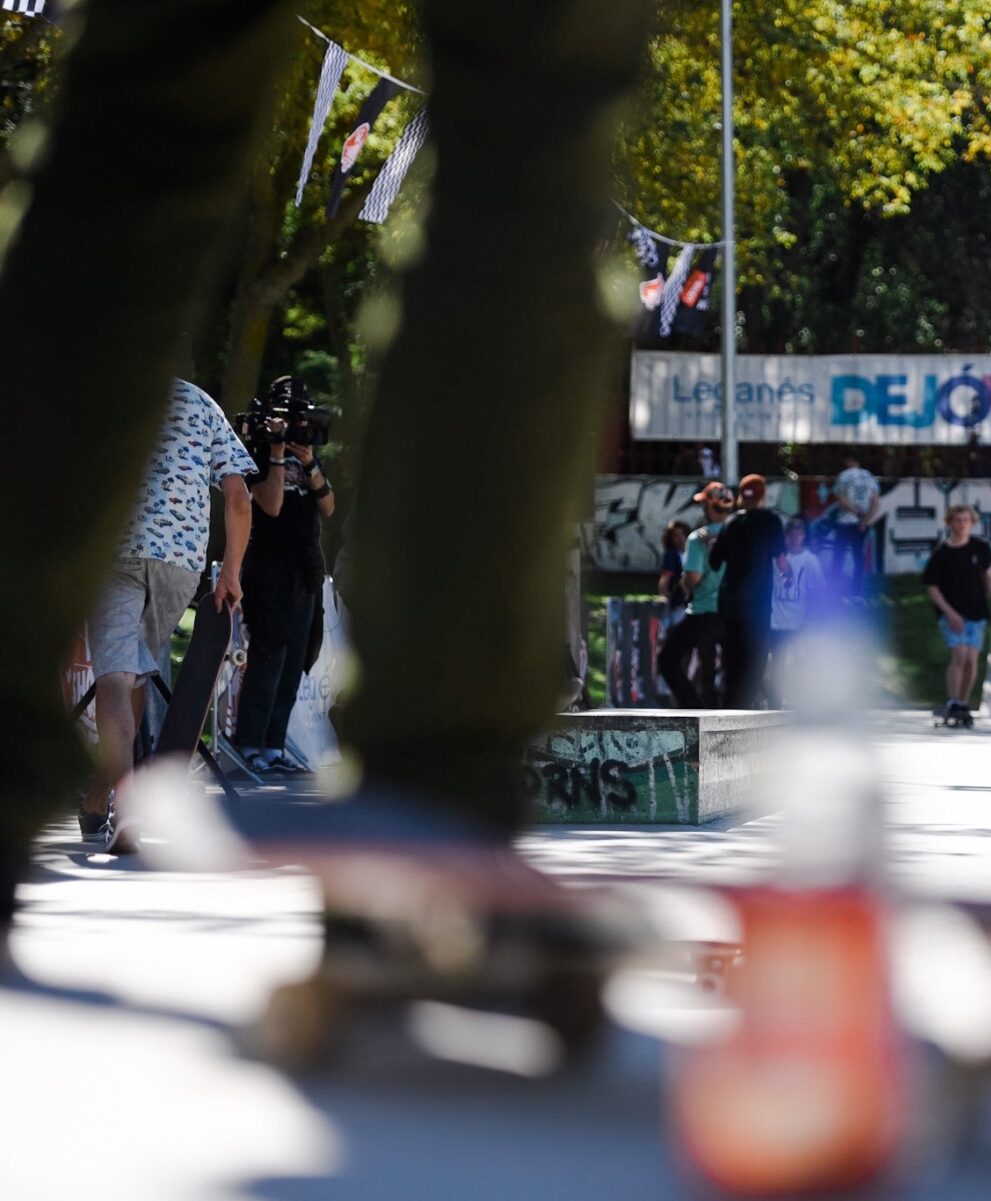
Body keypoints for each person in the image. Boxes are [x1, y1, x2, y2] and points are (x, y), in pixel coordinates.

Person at [0, 1, 656, 983]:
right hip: (200, 559)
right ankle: (436, 783)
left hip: (182, 554)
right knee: (529, 108)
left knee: (145, 103)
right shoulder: (223, 438)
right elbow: (241, 492)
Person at [76, 379, 255, 849]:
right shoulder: (204, 405)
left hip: (117, 549)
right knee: (135, 670)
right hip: (181, 563)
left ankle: (122, 799)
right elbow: (239, 497)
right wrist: (230, 573)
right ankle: (105, 798)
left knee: (115, 676)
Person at [234, 377, 335, 775]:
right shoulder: (257, 451)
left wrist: (307, 462)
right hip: (270, 569)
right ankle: (250, 743)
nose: (292, 425)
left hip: (305, 569)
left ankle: (274, 746)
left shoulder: (307, 452)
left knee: (295, 661)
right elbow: (271, 506)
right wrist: (276, 452)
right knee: (268, 659)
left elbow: (327, 505)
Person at [709, 474, 786, 708]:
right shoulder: (771, 521)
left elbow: (714, 562)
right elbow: (781, 560)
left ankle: (729, 708)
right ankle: (744, 709)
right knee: (756, 658)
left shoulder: (730, 523)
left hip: (730, 603)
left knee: (732, 660)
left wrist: (715, 543)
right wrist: (790, 574)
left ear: (742, 496)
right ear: (763, 495)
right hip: (757, 604)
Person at [922, 505, 991, 720]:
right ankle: (952, 700)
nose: (961, 525)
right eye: (957, 520)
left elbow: (989, 577)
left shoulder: (980, 548)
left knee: (971, 659)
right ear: (950, 523)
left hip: (976, 611)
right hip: (952, 613)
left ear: (972, 523)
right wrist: (949, 613)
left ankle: (963, 702)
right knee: (959, 654)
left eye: (966, 520)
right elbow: (932, 587)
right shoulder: (942, 553)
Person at [658, 483, 732, 708]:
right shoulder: (738, 533)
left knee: (667, 660)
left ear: (709, 507)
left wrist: (683, 582)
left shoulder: (698, 538)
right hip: (731, 612)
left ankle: (694, 708)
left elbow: (694, 578)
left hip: (703, 610)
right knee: (725, 667)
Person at [768, 517, 825, 703]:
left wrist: (812, 619)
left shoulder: (810, 560)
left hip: (798, 622)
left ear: (803, 535)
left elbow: (818, 592)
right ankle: (776, 701)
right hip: (776, 621)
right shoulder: (776, 557)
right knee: (777, 664)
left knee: (801, 663)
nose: (794, 536)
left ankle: (802, 702)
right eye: (791, 532)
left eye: (798, 532)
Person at [827, 456, 882, 589]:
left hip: (844, 522)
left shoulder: (844, 476)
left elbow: (841, 499)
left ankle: (835, 589)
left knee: (839, 555)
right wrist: (865, 520)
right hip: (861, 524)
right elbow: (875, 503)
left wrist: (856, 511)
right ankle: (857, 591)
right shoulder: (870, 477)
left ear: (849, 461)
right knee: (858, 557)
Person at [659, 520, 692, 626]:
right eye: (676, 536)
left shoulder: (691, 553)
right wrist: (664, 595)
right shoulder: (672, 555)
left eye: (682, 534)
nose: (680, 539)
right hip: (679, 602)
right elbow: (665, 577)